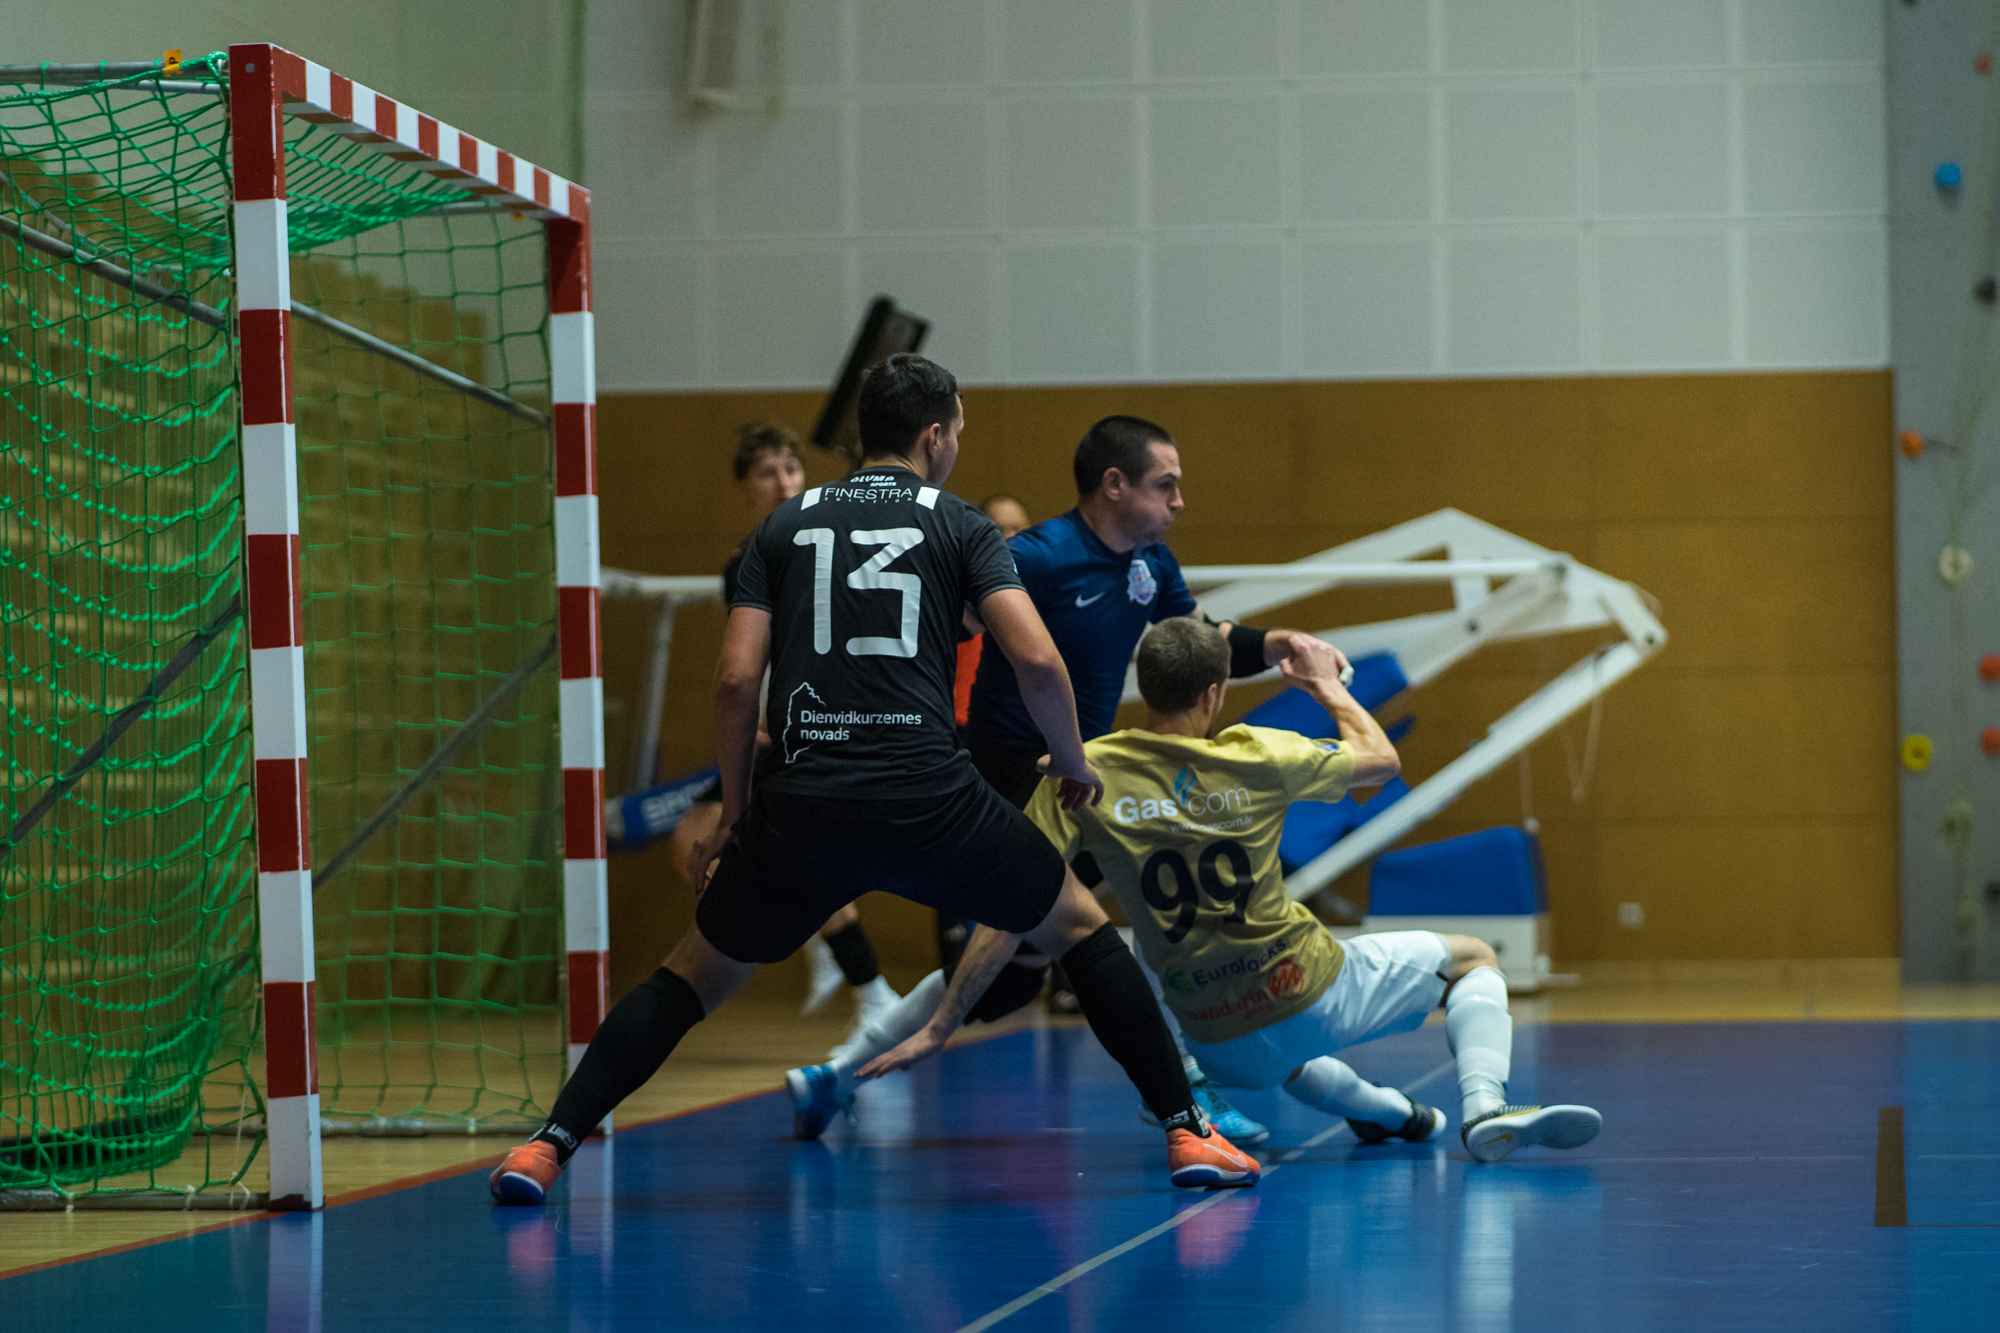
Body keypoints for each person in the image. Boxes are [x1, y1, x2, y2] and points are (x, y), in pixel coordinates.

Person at [490, 356, 1259, 1204]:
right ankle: (1188, 1129)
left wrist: (738, 812)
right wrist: (1074, 761)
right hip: (931, 800)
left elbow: (736, 681)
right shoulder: (963, 525)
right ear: (933, 435)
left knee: (688, 978)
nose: (956, 447)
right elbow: (1038, 659)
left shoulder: (781, 528)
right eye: (957, 432)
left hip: (804, 804)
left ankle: (545, 1146)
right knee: (1079, 929)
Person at [864, 619, 1601, 1162]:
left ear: (1146, 686)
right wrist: (1325, 685)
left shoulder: (1084, 773)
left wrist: (943, 1023)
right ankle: (1484, 1108)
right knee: (1472, 960)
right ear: (1214, 694)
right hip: (1313, 989)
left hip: (1217, 1041)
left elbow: (1014, 911)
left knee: (1288, 1061)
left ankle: (1396, 1115)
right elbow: (1380, 761)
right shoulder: (1257, 754)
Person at [956, 417, 1294, 1135]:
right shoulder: (1037, 557)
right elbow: (942, 630)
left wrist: (1277, 644)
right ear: (1115, 484)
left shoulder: (1153, 563)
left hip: (1081, 770)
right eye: (1165, 486)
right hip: (1015, 773)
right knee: (1118, 919)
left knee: (1009, 979)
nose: (1179, 502)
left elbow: (1206, 643)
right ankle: (1182, 1090)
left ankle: (843, 1066)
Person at [666, 422, 898, 1034]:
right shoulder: (744, 562)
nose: (783, 482)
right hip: (781, 723)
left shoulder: (827, 540)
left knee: (791, 852)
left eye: (790, 469)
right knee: (698, 837)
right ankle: (838, 958)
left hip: (823, 723)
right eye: (767, 473)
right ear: (744, 487)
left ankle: (865, 983)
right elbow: (754, 661)